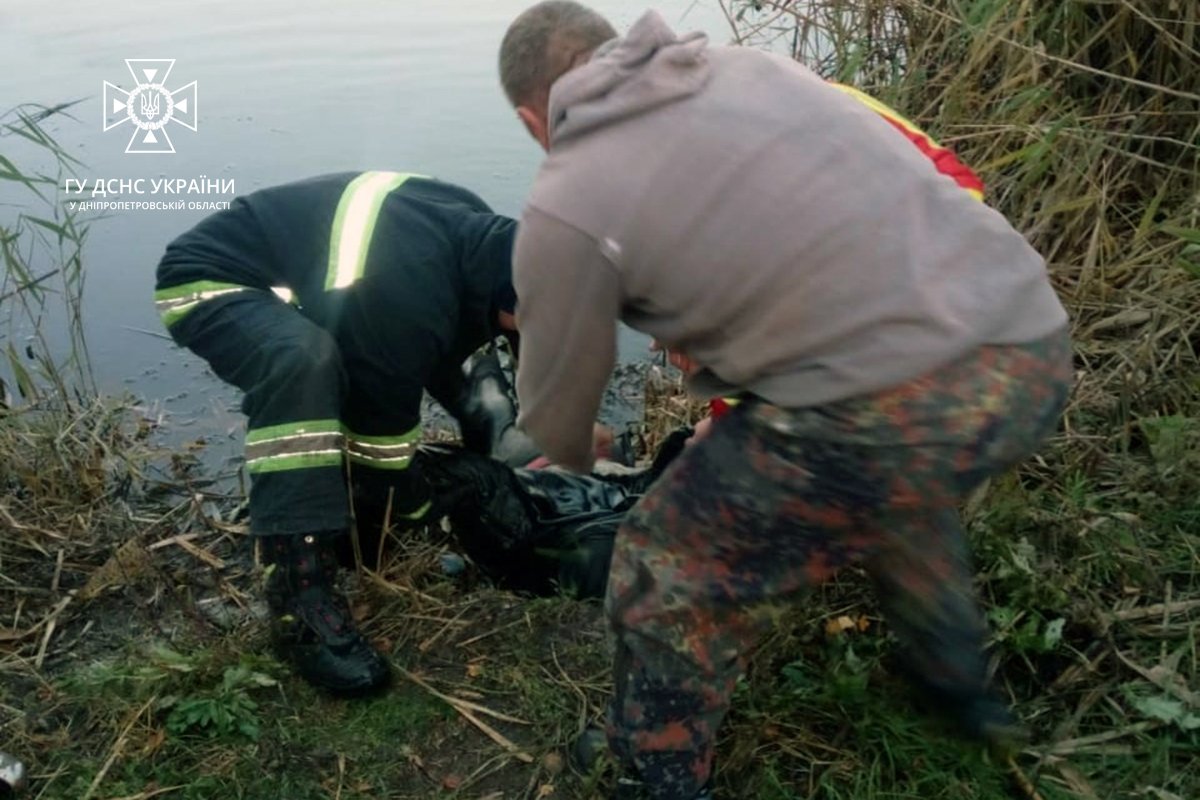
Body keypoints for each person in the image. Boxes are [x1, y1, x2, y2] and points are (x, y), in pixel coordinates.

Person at [497, 4, 1073, 799]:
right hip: (1029, 346)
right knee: (897, 488)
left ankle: (652, 774)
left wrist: (575, 446)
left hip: (890, 407)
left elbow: (559, 425)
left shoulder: (565, 201)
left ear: (533, 118)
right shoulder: (755, 71)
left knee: (664, 562)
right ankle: (956, 690)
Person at [154, 171, 520, 695]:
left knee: (393, 367)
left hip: (344, 289)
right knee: (304, 364)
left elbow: (452, 356)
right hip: (213, 278)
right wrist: (429, 504)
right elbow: (380, 451)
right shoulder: (408, 291)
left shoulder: (486, 243)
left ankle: (351, 533)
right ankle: (298, 594)